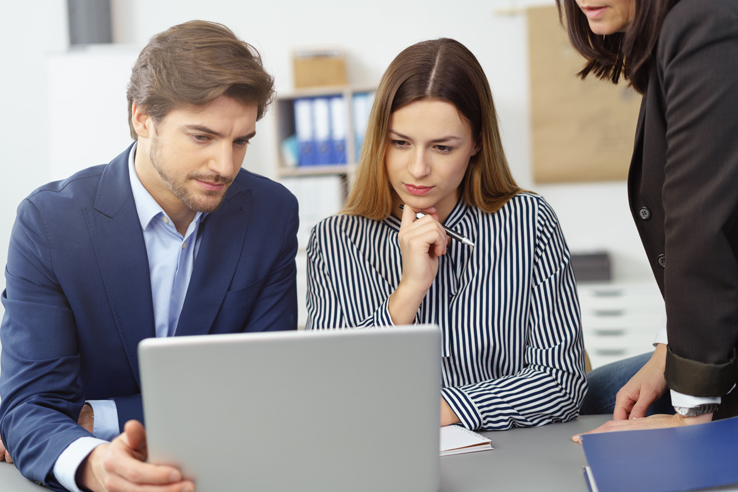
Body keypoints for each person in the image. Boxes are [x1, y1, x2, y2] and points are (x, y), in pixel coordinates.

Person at [0, 20, 298, 491]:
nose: (226, 166)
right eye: (202, 137)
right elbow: (28, 407)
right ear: (142, 118)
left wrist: (94, 414)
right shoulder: (51, 223)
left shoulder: (271, 214)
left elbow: (263, 395)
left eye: (241, 141)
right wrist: (96, 467)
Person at [305, 38, 587, 431]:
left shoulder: (529, 221)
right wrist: (410, 290)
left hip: (509, 455)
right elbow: (329, 385)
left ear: (476, 144)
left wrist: (440, 410)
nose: (418, 169)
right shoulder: (336, 239)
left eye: (442, 147)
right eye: (400, 143)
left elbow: (561, 383)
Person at [555, 0, 738, 439]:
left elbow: (699, 223)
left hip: (722, 343)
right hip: (710, 328)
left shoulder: (703, 21)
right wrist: (666, 350)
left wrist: (689, 415)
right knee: (594, 396)